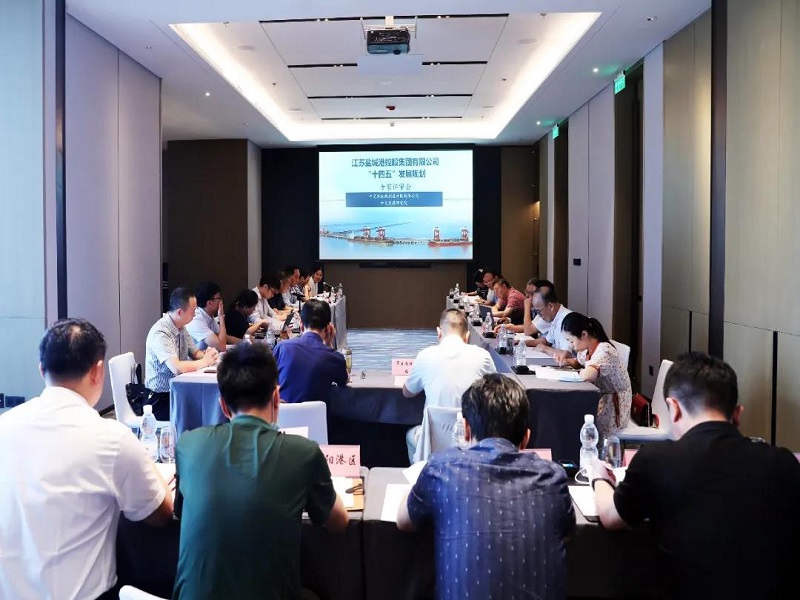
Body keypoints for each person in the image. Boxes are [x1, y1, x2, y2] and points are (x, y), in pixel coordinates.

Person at [592, 352, 800, 599]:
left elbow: (610, 517)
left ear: (674, 408)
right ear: (737, 414)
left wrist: (599, 477)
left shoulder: (655, 459)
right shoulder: (783, 463)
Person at [0, 319, 173, 600]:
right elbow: (159, 513)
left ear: (41, 369)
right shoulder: (112, 438)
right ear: (98, 370)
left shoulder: (4, 426)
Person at [173, 343, 348, 600]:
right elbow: (339, 522)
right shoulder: (303, 452)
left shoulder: (188, 445)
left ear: (223, 406)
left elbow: (179, 512)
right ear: (277, 397)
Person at [397, 374, 575, 600]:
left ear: (466, 429)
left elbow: (403, 520)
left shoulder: (442, 468)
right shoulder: (553, 477)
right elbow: (567, 534)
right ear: (526, 438)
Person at [403, 309, 496, 461]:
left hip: (432, 446)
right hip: (473, 442)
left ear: (439, 333)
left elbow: (408, 392)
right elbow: (496, 393)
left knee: (410, 435)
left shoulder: (425, 355)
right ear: (467, 336)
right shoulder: (483, 356)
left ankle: (419, 471)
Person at [145, 287, 219, 419]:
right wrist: (205, 361)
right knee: (202, 409)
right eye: (193, 311)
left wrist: (208, 355)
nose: (195, 314)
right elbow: (177, 367)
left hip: (178, 391)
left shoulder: (181, 328)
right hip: (160, 399)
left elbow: (195, 353)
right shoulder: (161, 332)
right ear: (180, 312)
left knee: (209, 404)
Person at [558, 312, 631, 438]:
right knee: (571, 413)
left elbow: (588, 375)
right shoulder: (588, 348)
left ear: (584, 334)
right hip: (600, 396)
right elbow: (579, 362)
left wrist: (579, 371)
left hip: (614, 405)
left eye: (571, 341)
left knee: (575, 417)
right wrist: (566, 362)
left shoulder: (604, 350)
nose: (571, 345)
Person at [273, 299, 348, 403]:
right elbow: (345, 381)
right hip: (318, 413)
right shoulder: (334, 357)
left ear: (301, 324)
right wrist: (329, 345)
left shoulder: (282, 348)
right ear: (328, 328)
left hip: (284, 412)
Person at [525, 284, 573, 357]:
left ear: (550, 306)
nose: (539, 316)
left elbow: (566, 355)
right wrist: (524, 343)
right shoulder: (555, 317)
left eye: (539, 312)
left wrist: (544, 349)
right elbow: (547, 341)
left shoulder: (567, 319)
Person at [185, 281, 228, 352]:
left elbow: (222, 336)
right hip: (194, 358)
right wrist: (221, 317)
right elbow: (221, 347)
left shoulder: (208, 315)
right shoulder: (196, 319)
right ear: (209, 303)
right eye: (219, 298)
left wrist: (242, 341)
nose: (221, 301)